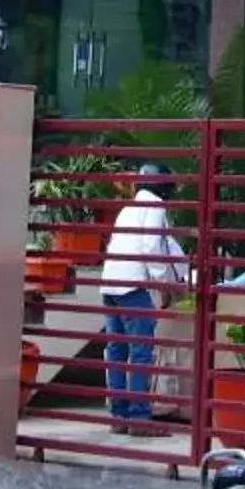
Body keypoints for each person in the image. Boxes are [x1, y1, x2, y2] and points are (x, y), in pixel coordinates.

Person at [99, 161, 188, 428]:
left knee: (116, 350)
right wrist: (164, 284)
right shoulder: (155, 207)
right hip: (131, 286)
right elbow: (152, 245)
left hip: (110, 285)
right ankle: (139, 417)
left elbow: (164, 244)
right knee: (141, 352)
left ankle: (119, 414)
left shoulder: (129, 208)